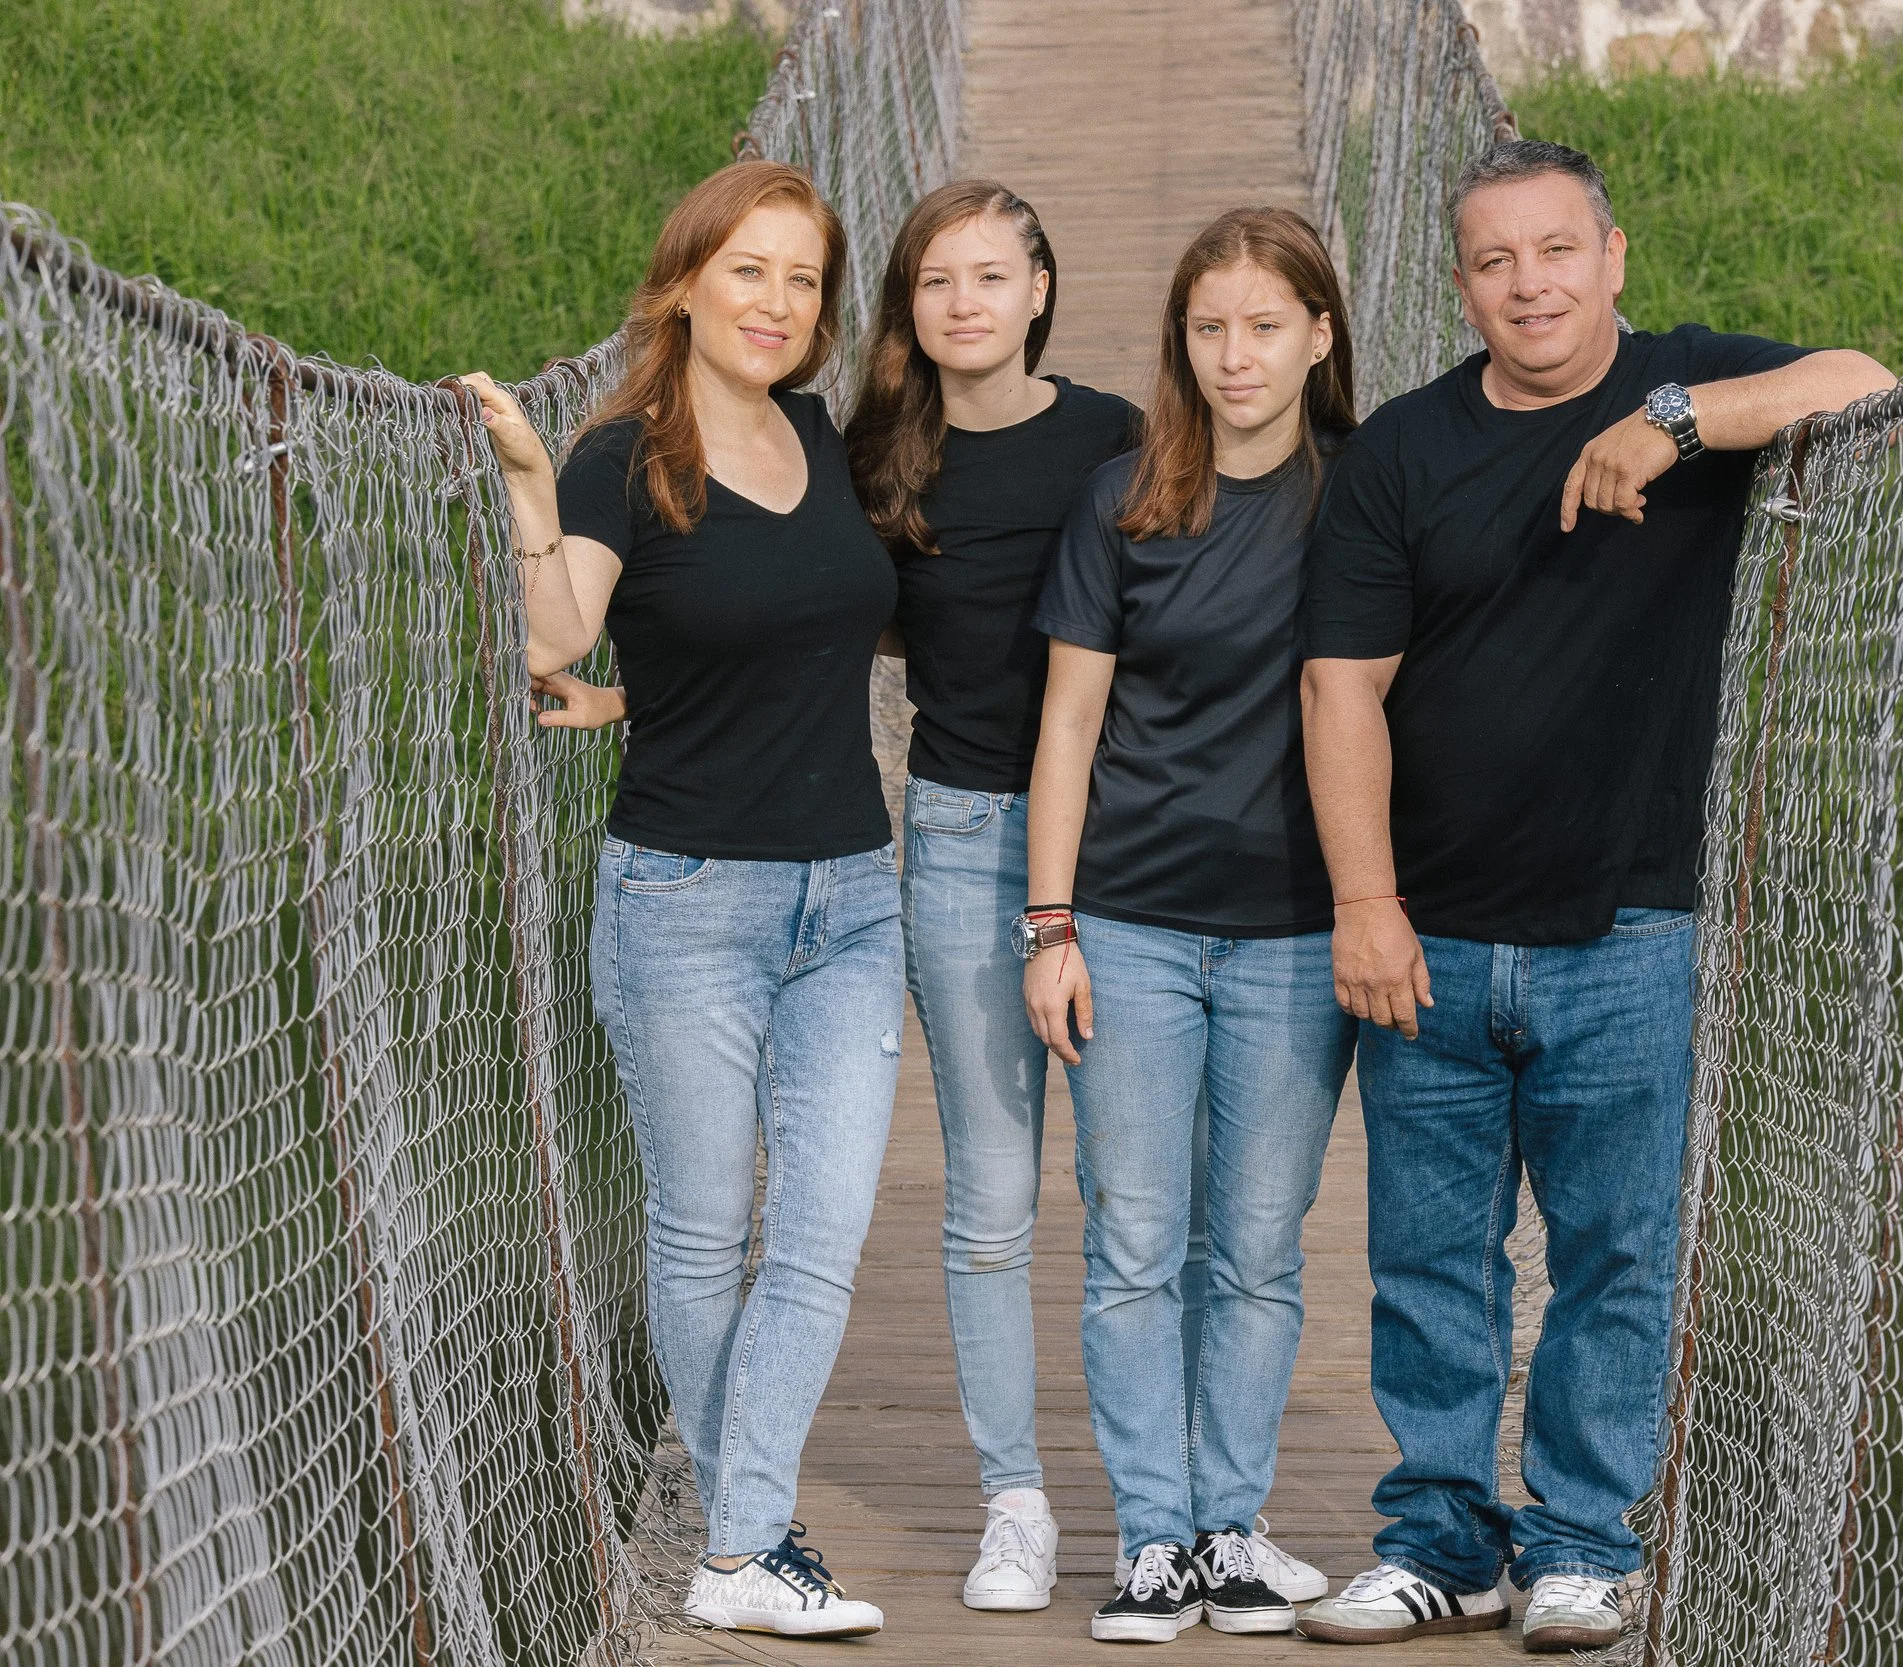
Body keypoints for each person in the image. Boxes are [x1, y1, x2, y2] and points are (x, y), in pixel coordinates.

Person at [555, 179, 1332, 1614]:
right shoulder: (861, 453)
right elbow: (772, 599)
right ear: (907, 311)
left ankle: (1199, 1516)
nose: (965, 303)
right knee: (984, 1197)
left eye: (994, 276)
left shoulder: (1120, 442)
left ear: (1043, 288)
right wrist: (634, 698)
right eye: (934, 282)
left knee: (1142, 1198)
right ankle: (1013, 1498)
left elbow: (1228, 597)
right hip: (969, 835)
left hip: (1133, 841)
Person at [1293, 140, 1896, 1653]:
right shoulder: (1401, 453)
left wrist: (1679, 425)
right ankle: (1439, 1534)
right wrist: (1365, 904)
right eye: (1495, 261)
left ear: (1612, 256)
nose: (1529, 283)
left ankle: (1577, 1537)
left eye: (1556, 250)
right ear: (1459, 285)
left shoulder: (1687, 382)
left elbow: (1869, 377)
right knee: (1429, 1259)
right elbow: (1341, 686)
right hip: (1425, 929)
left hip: (1628, 923)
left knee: (1617, 1251)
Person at [459, 158, 900, 1641]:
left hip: (851, 893)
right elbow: (558, 633)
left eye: (803, 278)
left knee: (825, 1226)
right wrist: (528, 481)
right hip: (688, 895)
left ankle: (737, 1544)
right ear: (686, 281)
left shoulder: (827, 438)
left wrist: (653, 689)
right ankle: (752, 1544)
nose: (776, 303)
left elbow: (775, 629)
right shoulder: (618, 458)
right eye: (748, 270)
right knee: (707, 1231)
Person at [1018, 206, 1359, 1645]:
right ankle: (1154, 1538)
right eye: (1209, 327)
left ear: (1319, 335)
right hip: (1138, 923)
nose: (1236, 355)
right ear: (1181, 340)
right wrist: (1051, 924)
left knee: (1261, 1245)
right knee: (1137, 1239)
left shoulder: (1366, 501)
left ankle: (1231, 1525)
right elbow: (1071, 721)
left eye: (1265, 326)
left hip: (1296, 929)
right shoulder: (1125, 500)